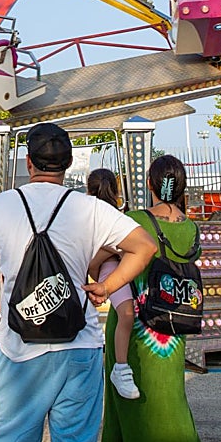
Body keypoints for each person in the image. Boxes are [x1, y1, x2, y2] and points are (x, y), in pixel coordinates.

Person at [0, 123, 158, 442]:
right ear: (69, 163)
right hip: (79, 348)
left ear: (28, 162)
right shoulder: (88, 208)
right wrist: (106, 286)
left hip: (19, 349)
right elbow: (145, 246)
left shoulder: (1, 206)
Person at [91, 154, 208, 442]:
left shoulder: (136, 220)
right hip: (170, 332)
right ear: (181, 186)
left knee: (118, 410)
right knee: (173, 402)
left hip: (134, 328)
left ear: (151, 185)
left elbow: (100, 257)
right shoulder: (190, 227)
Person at [86, 169, 139, 400]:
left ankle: (120, 367)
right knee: (126, 314)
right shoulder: (115, 214)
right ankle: (121, 366)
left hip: (107, 264)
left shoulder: (90, 213)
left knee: (126, 313)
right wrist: (115, 248)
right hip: (109, 263)